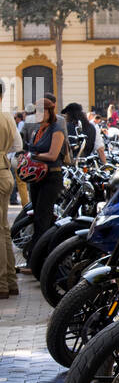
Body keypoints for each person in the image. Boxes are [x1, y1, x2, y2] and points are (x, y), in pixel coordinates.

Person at [24, 92, 69, 250]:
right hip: (37, 178)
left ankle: (37, 259)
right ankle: (45, 254)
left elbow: (53, 154)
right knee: (39, 216)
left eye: (41, 111)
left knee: (42, 219)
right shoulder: (38, 130)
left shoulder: (56, 129)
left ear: (49, 112)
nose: (37, 114)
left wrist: (35, 156)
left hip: (50, 177)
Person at [0, 83, 22, 296]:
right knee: (4, 229)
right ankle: (10, 282)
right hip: (5, 172)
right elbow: (18, 146)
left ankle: (2, 286)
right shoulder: (7, 117)